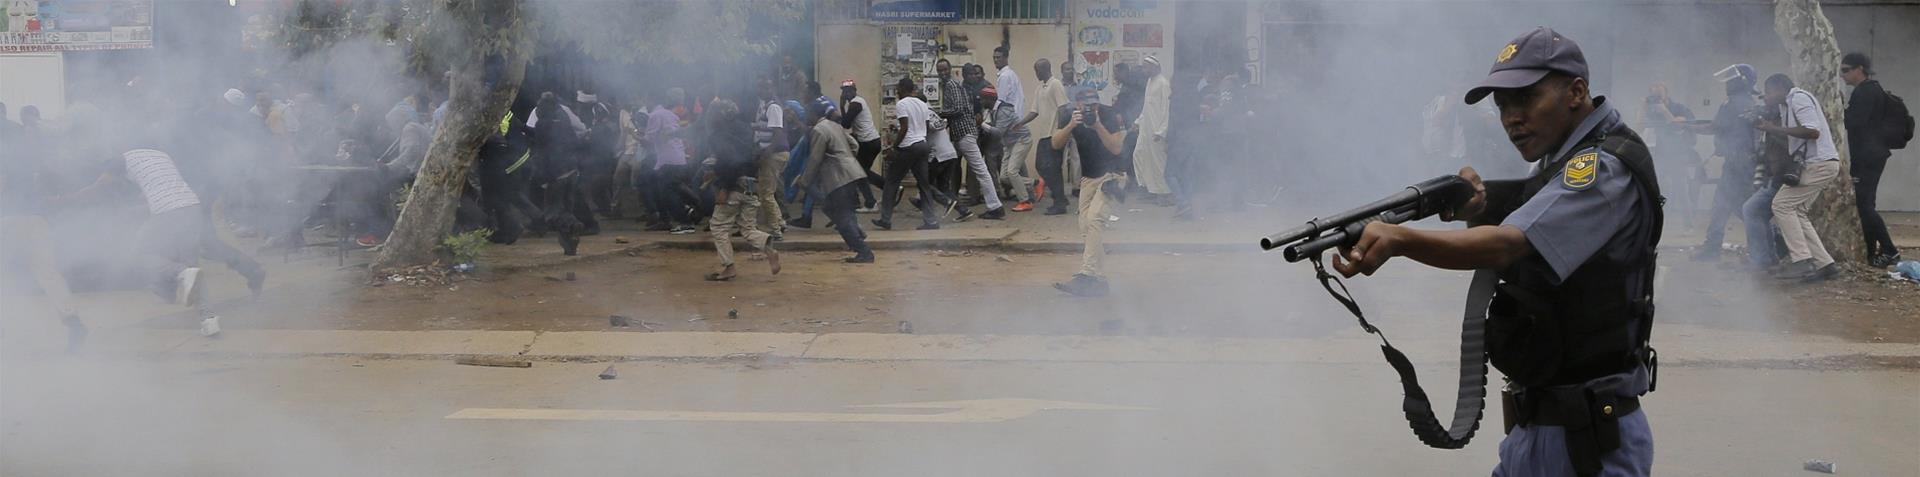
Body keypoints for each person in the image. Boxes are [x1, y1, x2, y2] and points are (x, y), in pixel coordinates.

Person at [1330, 28, 1658, 476]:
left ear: (1576, 92)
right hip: (1536, 427)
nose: (1511, 119)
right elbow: (1520, 227)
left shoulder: (1600, 168)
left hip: (1588, 440)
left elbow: (1508, 245)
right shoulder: (1556, 163)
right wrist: (1478, 207)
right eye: (1502, 106)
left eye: (1524, 100)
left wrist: (1402, 239)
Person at [55, 144, 270, 312]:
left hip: (174, 208)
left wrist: (68, 199)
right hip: (192, 202)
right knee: (199, 249)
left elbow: (100, 185)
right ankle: (201, 302)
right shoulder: (157, 157)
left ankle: (181, 294)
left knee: (159, 253)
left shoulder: (120, 160)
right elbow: (154, 189)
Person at [0, 103, 87, 352]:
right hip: (35, 216)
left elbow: (2, 180)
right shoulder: (24, 136)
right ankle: (72, 320)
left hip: (7, 216)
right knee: (47, 272)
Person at [1754, 73, 1841, 282]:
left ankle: (1801, 261)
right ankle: (1825, 264)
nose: (1766, 96)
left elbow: (1812, 132)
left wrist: (1772, 127)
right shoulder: (1786, 106)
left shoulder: (1798, 98)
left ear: (1780, 88)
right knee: (1798, 212)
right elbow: (1793, 136)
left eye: (1768, 92)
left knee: (1781, 205)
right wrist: (1768, 127)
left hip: (1818, 164)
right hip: (1819, 165)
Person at [1050, 87, 1131, 297]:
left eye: (1094, 105)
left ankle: (1087, 276)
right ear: (1077, 105)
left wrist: (1096, 125)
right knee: (1086, 227)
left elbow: (1116, 148)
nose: (1090, 109)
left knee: (1095, 220)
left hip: (1113, 175)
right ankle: (1100, 280)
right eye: (1086, 106)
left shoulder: (1110, 114)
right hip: (1089, 177)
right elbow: (1055, 143)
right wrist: (1070, 125)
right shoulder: (1070, 116)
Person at [1686, 64, 1761, 261]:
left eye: (1731, 80)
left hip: (1738, 163)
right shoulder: (1746, 101)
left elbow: (1715, 127)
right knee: (1724, 204)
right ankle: (1713, 247)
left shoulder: (1733, 102)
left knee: (1740, 207)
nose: (1727, 84)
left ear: (1741, 82)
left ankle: (1772, 245)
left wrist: (1688, 128)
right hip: (1741, 162)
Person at [703, 99, 781, 281]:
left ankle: (729, 267)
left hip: (734, 187)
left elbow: (729, 162)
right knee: (747, 228)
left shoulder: (719, 135)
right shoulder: (746, 129)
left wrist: (724, 186)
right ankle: (768, 246)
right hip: (752, 185)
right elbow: (749, 157)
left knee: (718, 226)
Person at [1840, 53, 1901, 267]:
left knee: (1864, 205)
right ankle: (1871, 253)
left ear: (1860, 69)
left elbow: (1854, 122)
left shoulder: (1866, 92)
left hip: (1868, 157)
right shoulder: (1871, 90)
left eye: (1846, 70)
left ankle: (1889, 250)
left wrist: (1839, 108)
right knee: (1866, 204)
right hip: (1871, 155)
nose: (1843, 75)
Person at [796, 100, 875, 263]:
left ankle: (863, 250)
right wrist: (847, 159)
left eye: (807, 114)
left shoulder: (818, 130)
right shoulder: (834, 125)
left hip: (838, 177)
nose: (805, 118)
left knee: (840, 215)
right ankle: (857, 234)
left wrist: (805, 180)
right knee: (836, 209)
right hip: (851, 172)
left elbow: (815, 159)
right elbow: (854, 144)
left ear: (814, 114)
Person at [936, 59, 1005, 219]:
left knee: (981, 170)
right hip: (962, 134)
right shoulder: (959, 87)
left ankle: (995, 207)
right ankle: (955, 204)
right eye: (940, 70)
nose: (943, 73)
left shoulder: (952, 85)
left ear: (951, 69)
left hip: (964, 134)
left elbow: (958, 109)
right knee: (943, 164)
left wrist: (939, 113)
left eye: (945, 69)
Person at [874, 78, 945, 231]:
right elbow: (925, 127)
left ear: (902, 88)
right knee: (924, 185)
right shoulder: (922, 104)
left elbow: (904, 127)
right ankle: (931, 221)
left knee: (891, 182)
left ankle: (885, 219)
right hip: (922, 145)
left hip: (909, 147)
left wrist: (894, 147)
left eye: (898, 89)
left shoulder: (902, 104)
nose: (896, 92)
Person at [1643, 83, 1700, 227]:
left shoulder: (1679, 108)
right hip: (1659, 155)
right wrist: (1643, 108)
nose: (1656, 98)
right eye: (1653, 95)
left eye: (1659, 94)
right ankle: (1657, 223)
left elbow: (1679, 126)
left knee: (1681, 189)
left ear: (1666, 94)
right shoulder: (1651, 111)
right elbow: (1639, 127)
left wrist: (1664, 110)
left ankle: (1688, 225)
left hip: (1677, 155)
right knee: (1656, 189)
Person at [644, 87, 697, 235]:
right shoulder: (672, 115)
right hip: (677, 159)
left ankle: (686, 222)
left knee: (668, 194)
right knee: (671, 189)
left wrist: (634, 134)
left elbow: (649, 139)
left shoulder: (655, 115)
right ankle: (690, 208)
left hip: (668, 160)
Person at [1030, 59, 1074, 215]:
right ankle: (1060, 197)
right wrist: (1020, 123)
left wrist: (1061, 131)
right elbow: (1034, 111)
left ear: (1044, 69)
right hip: (1044, 134)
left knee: (1053, 168)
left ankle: (1059, 203)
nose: (1036, 73)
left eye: (1037, 70)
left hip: (1054, 134)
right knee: (1041, 166)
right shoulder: (1040, 87)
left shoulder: (1055, 84)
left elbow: (1064, 109)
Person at [752, 78, 791, 240]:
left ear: (771, 89)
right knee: (768, 191)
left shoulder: (773, 107)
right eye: (760, 87)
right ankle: (780, 223)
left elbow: (777, 132)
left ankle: (775, 230)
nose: (761, 91)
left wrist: (766, 152)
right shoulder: (764, 106)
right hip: (772, 154)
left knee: (766, 194)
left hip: (773, 155)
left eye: (765, 88)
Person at [1132, 55, 1174, 204]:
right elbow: (1146, 107)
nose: (1144, 70)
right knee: (1139, 156)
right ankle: (1148, 188)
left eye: (1146, 67)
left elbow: (1167, 109)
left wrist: (1161, 131)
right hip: (1146, 129)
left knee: (1158, 162)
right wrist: (1138, 122)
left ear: (1155, 67)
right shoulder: (1150, 82)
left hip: (1157, 130)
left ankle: (1164, 194)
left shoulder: (1163, 83)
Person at [838, 80, 885, 212]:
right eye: (843, 91)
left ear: (854, 91)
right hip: (871, 142)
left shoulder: (856, 103)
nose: (845, 93)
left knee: (859, 173)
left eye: (848, 91)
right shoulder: (857, 103)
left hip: (868, 143)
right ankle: (889, 189)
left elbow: (845, 124)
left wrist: (841, 107)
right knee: (862, 173)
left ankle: (871, 202)